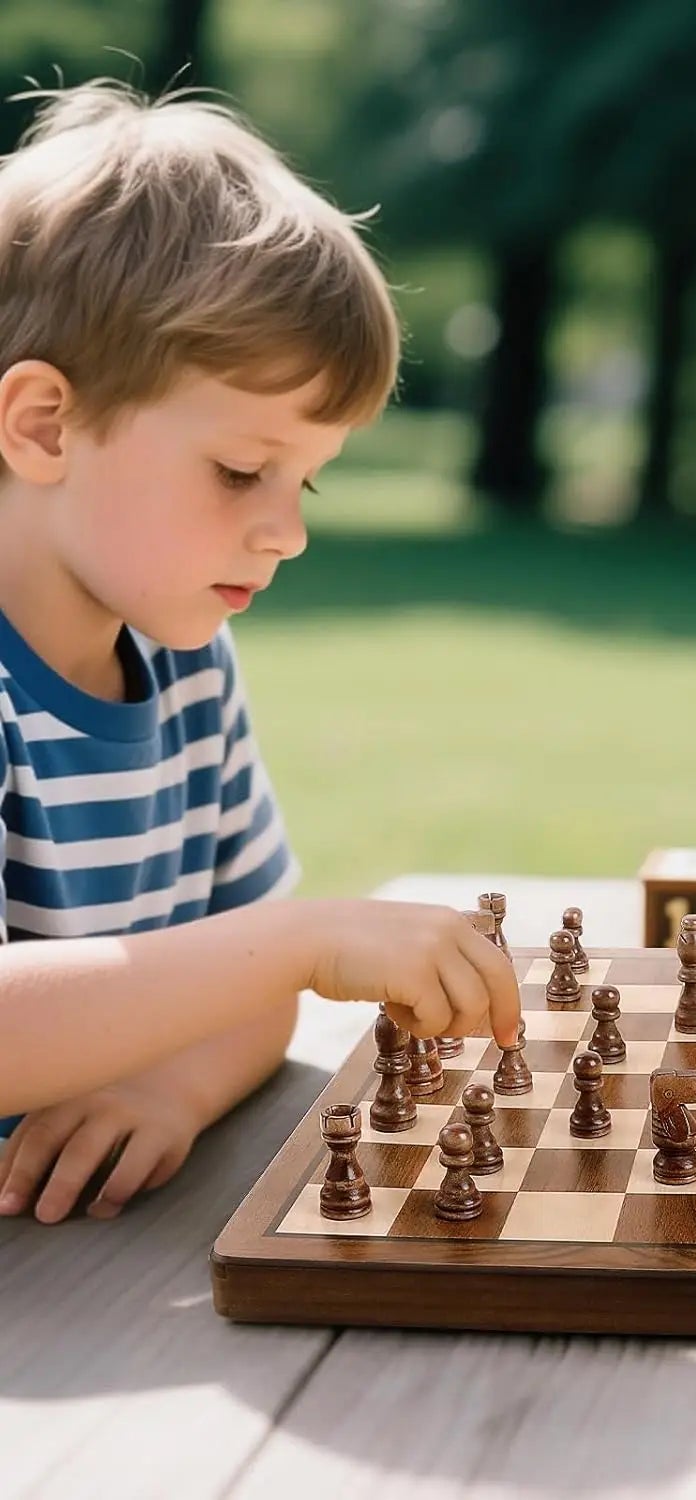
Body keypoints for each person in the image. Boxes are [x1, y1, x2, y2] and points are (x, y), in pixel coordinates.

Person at [0, 81, 519, 1225]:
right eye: (242, 471)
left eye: (306, 480)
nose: (288, 531)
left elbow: (249, 992)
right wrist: (302, 936)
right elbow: (269, 950)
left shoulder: (187, 664)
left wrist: (175, 1085)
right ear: (43, 425)